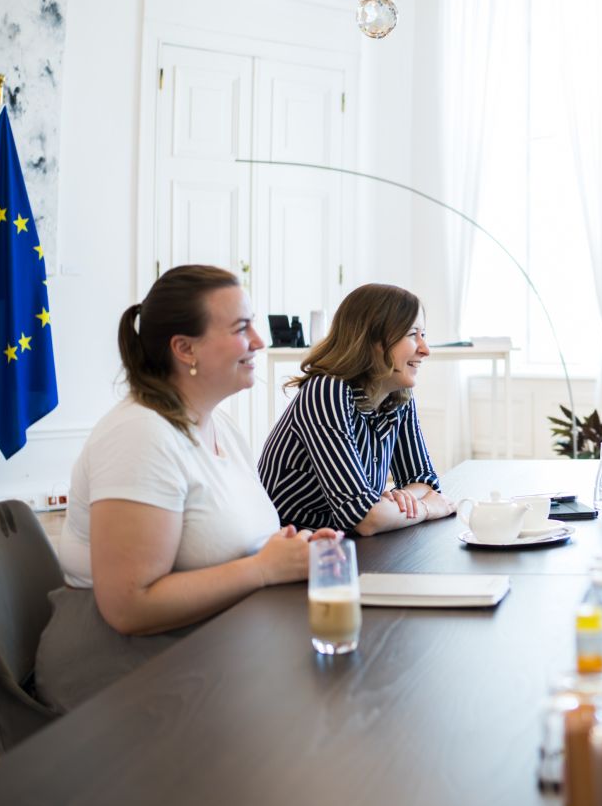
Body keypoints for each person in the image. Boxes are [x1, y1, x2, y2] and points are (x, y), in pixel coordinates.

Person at [34, 265, 338, 710]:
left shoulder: (219, 426)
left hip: (208, 641)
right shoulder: (140, 436)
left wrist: (291, 551)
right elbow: (129, 607)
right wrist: (264, 569)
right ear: (184, 348)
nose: (259, 341)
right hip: (124, 667)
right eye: (241, 328)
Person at [258, 283, 454, 535]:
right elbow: (364, 518)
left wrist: (398, 502)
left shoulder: (399, 394)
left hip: (343, 544)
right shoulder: (327, 391)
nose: (425, 349)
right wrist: (427, 508)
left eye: (423, 334)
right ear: (372, 340)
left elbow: (425, 481)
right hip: (290, 546)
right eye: (412, 334)